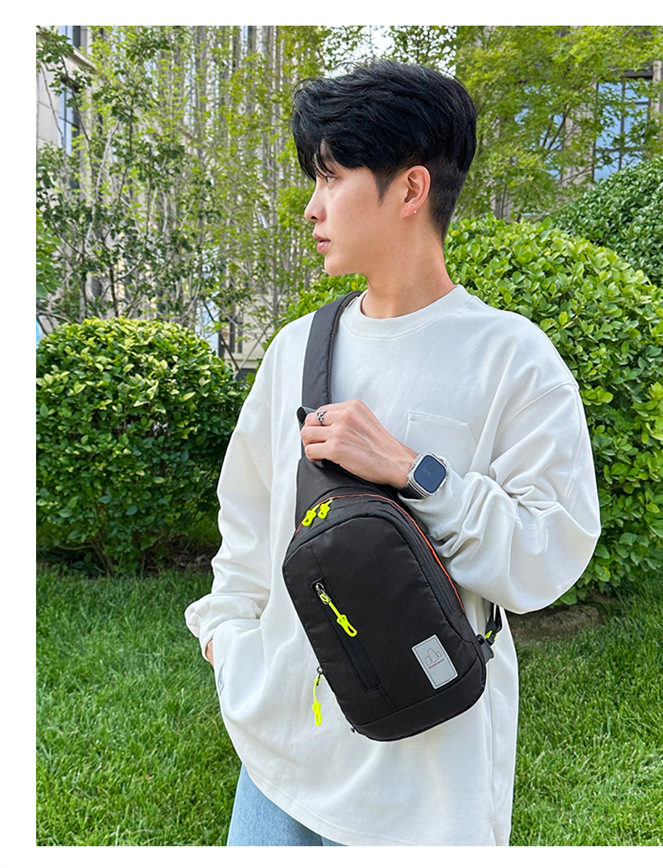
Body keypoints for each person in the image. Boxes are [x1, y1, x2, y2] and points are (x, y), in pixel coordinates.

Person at [185, 59, 600, 846]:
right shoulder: (296, 349)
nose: (311, 207)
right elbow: (247, 516)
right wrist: (226, 636)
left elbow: (549, 551)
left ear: (410, 190)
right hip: (280, 762)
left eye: (331, 177)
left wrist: (415, 472)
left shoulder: (511, 357)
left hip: (428, 780)